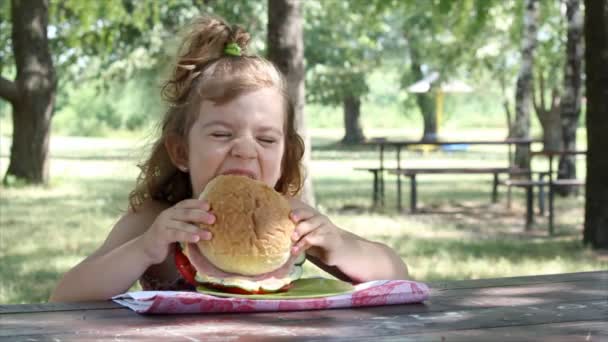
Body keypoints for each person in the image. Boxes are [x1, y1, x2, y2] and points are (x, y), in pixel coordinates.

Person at [50, 15, 408, 302]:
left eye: (267, 139)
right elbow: (65, 297)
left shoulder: (286, 224)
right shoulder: (155, 221)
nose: (245, 149)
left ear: (284, 157)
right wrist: (145, 248)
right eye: (222, 135)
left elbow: (398, 274)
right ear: (181, 151)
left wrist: (339, 247)